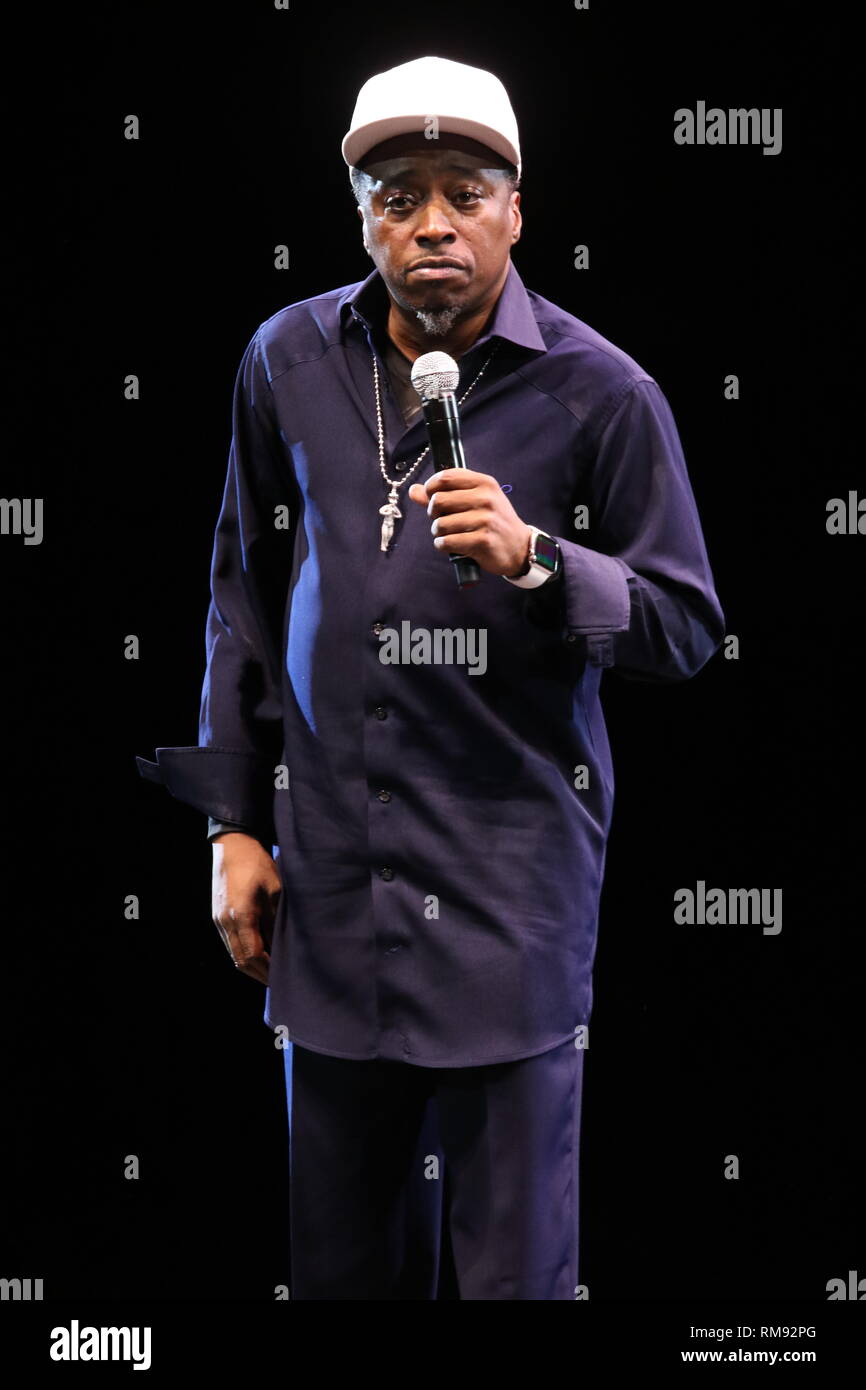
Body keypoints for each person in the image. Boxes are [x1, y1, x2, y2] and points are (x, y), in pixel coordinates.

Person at [136, 54, 725, 1300]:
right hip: (331, 906)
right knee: (340, 1272)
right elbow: (241, 592)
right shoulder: (285, 358)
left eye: (465, 192)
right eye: (398, 197)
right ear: (361, 216)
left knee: (514, 1281)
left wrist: (540, 560)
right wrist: (232, 826)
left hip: (508, 914)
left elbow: (683, 625)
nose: (433, 225)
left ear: (519, 207)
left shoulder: (602, 393)